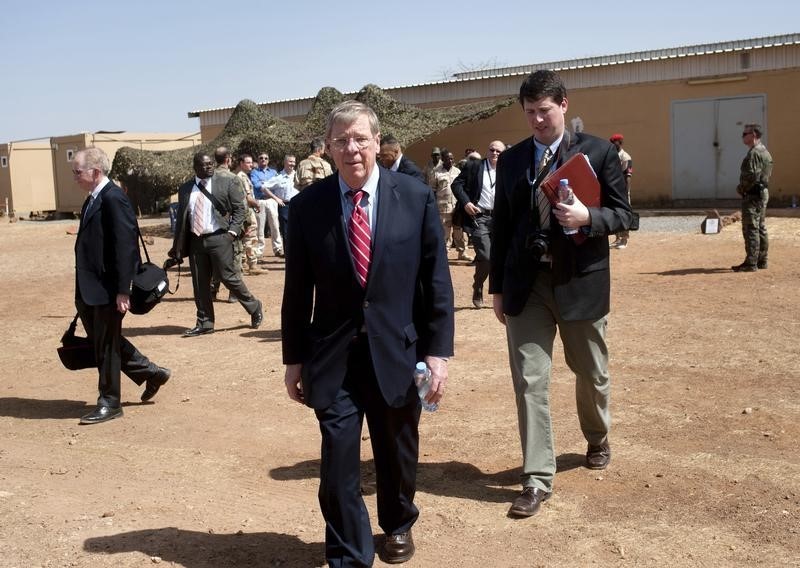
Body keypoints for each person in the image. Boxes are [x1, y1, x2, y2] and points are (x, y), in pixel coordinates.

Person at [282, 100, 454, 566]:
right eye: (341, 140)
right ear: (329, 148)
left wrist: (438, 353)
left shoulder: (414, 197)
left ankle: (397, 522)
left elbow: (435, 278)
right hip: (333, 357)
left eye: (360, 138)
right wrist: (294, 359)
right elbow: (297, 290)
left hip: (397, 351)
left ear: (378, 142)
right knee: (337, 467)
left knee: (396, 451)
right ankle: (350, 557)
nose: (351, 149)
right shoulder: (306, 208)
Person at [490, 70, 634, 518]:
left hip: (580, 281)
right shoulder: (512, 160)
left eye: (544, 111)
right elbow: (502, 228)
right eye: (529, 112)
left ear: (564, 105)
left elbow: (625, 215)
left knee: (591, 372)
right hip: (527, 286)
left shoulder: (599, 152)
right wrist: (497, 286)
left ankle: (597, 436)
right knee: (530, 380)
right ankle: (536, 478)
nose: (537, 120)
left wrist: (587, 217)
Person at [72, 147, 170, 424]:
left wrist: (123, 290)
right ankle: (151, 373)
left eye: (77, 172)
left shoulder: (113, 198)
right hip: (90, 286)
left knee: (105, 346)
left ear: (95, 171)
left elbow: (126, 247)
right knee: (103, 341)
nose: (74, 177)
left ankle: (110, 402)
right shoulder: (93, 198)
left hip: (107, 288)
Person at [169, 152, 263, 337]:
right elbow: (182, 219)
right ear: (195, 167)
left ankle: (254, 306)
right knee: (199, 283)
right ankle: (205, 322)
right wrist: (178, 247)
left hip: (220, 238)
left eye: (210, 164)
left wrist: (232, 233)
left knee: (228, 277)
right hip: (196, 240)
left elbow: (240, 209)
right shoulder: (186, 188)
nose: (209, 167)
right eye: (204, 165)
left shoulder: (227, 182)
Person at [452, 140, 506, 308]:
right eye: (492, 150)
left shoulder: (507, 169)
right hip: (479, 217)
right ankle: (478, 286)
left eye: (499, 151)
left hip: (500, 218)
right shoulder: (474, 166)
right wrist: (466, 202)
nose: (495, 153)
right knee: (486, 256)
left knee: (498, 257)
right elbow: (456, 185)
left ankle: (495, 291)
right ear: (487, 151)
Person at [732, 123, 773, 272]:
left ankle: (751, 263)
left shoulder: (754, 153)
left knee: (751, 228)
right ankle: (762, 260)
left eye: (745, 134)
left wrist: (740, 189)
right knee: (760, 227)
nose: (742, 136)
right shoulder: (765, 152)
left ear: (754, 135)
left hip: (753, 195)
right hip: (762, 193)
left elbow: (751, 177)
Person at [430, 149, 471, 262]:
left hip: (457, 206)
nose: (450, 160)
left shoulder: (458, 171)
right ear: (442, 159)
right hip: (443, 207)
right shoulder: (436, 172)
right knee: (444, 232)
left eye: (452, 158)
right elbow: (432, 191)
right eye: (448, 158)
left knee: (460, 231)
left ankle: (462, 252)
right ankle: (444, 254)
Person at [250, 152, 281, 259]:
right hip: (260, 201)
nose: (263, 159)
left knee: (275, 225)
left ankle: (278, 249)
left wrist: (264, 183)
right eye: (261, 158)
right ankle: (259, 251)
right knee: (260, 227)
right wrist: (269, 184)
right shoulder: (254, 172)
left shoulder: (273, 172)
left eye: (266, 158)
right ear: (258, 160)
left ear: (268, 160)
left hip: (272, 201)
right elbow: (257, 185)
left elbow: (277, 184)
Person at [263, 154, 297, 246]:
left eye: (294, 161)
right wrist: (276, 198)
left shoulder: (298, 175)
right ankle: (288, 256)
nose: (292, 164)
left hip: (298, 206)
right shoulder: (278, 177)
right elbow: (264, 187)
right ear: (284, 162)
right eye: (290, 161)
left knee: (298, 231)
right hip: (284, 206)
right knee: (286, 233)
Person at [609, 134, 633, 249]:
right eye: (611, 142)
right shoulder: (612, 155)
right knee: (614, 213)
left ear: (620, 143)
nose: (613, 144)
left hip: (622, 190)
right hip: (613, 189)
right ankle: (617, 238)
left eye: (615, 142)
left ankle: (624, 239)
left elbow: (628, 175)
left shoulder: (625, 157)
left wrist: (626, 192)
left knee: (624, 213)